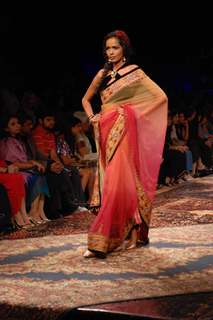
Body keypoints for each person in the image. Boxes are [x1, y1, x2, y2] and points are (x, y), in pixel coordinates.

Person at [81, 30, 168, 258]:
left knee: (119, 184)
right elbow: (86, 99)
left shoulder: (134, 72)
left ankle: (104, 240)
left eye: (115, 48)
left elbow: (161, 98)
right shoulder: (102, 74)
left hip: (123, 131)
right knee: (113, 181)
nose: (110, 52)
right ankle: (129, 229)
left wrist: (133, 116)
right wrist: (92, 118)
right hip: (104, 132)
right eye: (108, 48)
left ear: (124, 50)